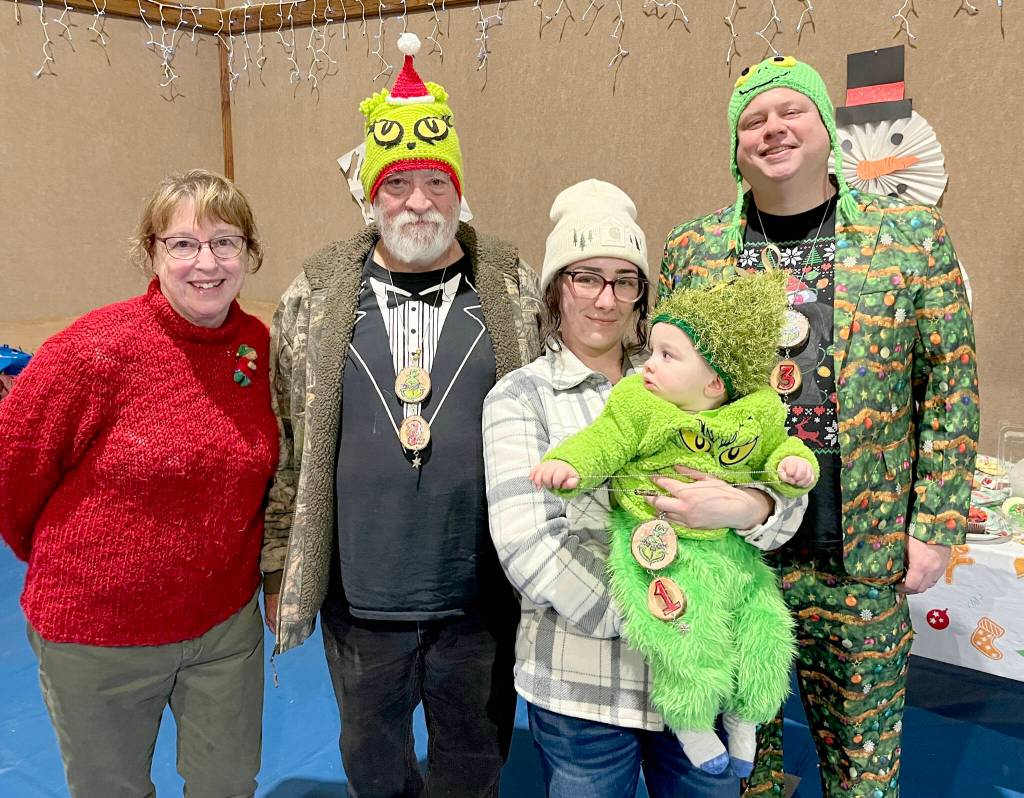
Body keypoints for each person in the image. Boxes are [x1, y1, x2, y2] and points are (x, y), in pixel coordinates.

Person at [660, 56, 979, 797]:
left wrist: (934, 524)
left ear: (825, 126)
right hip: (733, 554)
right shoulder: (695, 250)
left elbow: (951, 389)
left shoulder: (911, 240)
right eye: (752, 120)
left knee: (863, 773)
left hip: (860, 560)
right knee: (745, 770)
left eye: (790, 112)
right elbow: (674, 394)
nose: (773, 130)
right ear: (735, 146)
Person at [261, 32, 542, 798]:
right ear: (373, 194)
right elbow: (288, 440)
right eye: (399, 185)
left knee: (474, 763)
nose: (418, 202)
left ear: (459, 191)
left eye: (435, 184)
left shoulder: (512, 285)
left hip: (480, 594)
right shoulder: (314, 296)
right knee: (373, 768)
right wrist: (281, 565)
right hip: (363, 598)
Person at [482, 178, 808, 798]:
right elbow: (529, 547)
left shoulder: (693, 375)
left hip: (704, 688)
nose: (606, 300)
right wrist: (669, 616)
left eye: (624, 280)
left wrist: (749, 505)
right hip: (585, 687)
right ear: (556, 288)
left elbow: (783, 493)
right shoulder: (521, 397)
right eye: (586, 277)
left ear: (641, 293)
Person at [0, 168, 279, 798]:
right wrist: (74, 567)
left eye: (225, 241)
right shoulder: (92, 351)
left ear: (249, 253)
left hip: (221, 628)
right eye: (182, 244)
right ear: (151, 252)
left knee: (228, 783)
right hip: (98, 633)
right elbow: (11, 469)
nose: (205, 262)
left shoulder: (260, 349)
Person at [531, 268, 817, 778]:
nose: (649, 366)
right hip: (660, 553)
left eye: (667, 356)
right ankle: (690, 720)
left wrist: (788, 474)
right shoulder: (639, 406)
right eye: (654, 352)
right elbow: (604, 442)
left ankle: (746, 717)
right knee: (689, 634)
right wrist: (572, 465)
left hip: (731, 554)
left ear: (714, 381)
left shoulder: (753, 414)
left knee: (766, 629)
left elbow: (782, 455)